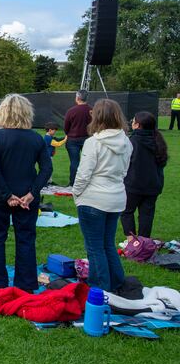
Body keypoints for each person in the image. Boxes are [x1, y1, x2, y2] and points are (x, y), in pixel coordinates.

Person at [0, 95, 52, 291]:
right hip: (23, 197)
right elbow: (46, 169)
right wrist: (32, 192)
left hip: (1, 195)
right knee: (25, 239)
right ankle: (26, 283)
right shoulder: (36, 138)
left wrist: (8, 194)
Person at [73, 99, 132, 292]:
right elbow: (124, 171)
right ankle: (116, 282)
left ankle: (100, 289)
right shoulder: (126, 141)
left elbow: (83, 174)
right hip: (115, 197)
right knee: (107, 244)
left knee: (95, 247)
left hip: (94, 199)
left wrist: (76, 194)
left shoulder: (93, 143)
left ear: (97, 117)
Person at [121, 112, 168, 238]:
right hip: (152, 184)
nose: (131, 122)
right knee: (146, 214)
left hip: (134, 184)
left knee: (127, 211)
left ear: (138, 125)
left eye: (133, 121)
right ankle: (141, 241)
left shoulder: (136, 141)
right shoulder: (155, 140)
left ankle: (134, 242)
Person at [64, 90, 92, 186]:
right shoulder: (91, 111)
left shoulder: (71, 111)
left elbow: (66, 127)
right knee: (87, 162)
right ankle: (86, 183)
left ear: (77, 98)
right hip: (87, 139)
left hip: (73, 139)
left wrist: (69, 134)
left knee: (74, 162)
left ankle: (73, 183)